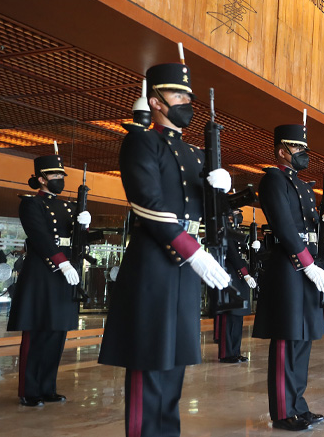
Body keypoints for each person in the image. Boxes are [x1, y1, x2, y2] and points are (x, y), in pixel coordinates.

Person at [98, 61, 233, 436]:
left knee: (175, 367)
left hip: (185, 270)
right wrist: (192, 250)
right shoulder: (141, 140)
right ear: (155, 100)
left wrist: (224, 191)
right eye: (178, 94)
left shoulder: (194, 154)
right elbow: (147, 203)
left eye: (189, 96)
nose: (187, 101)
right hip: (154, 266)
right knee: (149, 366)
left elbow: (208, 211)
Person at [252, 124, 324, 430]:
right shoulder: (273, 180)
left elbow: (311, 229)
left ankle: (298, 405)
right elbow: (285, 228)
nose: (303, 155)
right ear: (282, 150)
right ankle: (283, 412)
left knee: (303, 341)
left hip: (307, 266)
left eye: (304, 149)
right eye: (297, 149)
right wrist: (307, 263)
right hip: (288, 268)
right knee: (288, 340)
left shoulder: (302, 186)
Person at [7, 154, 91, 407]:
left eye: (61, 176)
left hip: (66, 274)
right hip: (43, 272)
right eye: (55, 176)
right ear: (41, 179)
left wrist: (84, 226)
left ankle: (47, 386)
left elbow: (77, 241)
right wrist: (61, 263)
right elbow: (40, 237)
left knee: (57, 332)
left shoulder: (68, 206)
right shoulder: (31, 204)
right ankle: (29, 390)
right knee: (37, 332)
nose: (60, 180)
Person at [215, 219, 257, 364]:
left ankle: (235, 351)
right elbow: (233, 253)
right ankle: (227, 353)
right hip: (231, 274)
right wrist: (245, 273)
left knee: (238, 316)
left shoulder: (236, 231)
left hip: (240, 276)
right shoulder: (223, 228)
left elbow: (242, 252)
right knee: (230, 315)